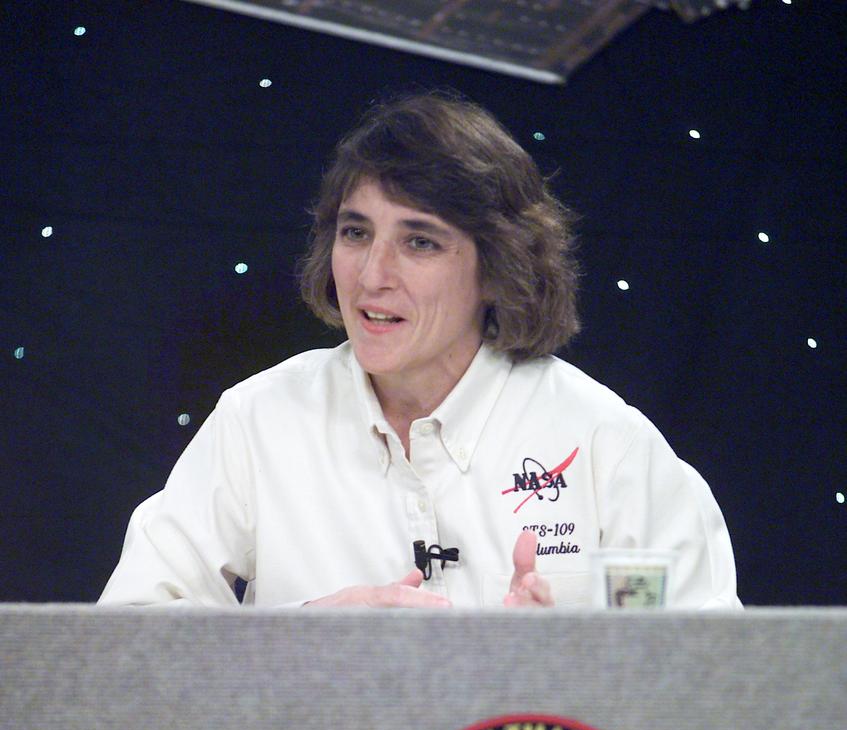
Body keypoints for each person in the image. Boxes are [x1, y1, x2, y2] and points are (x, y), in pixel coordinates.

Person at [99, 92, 741, 610]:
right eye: (356, 233)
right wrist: (292, 650)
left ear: (498, 268)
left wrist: (575, 667)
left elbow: (711, 669)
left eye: (421, 242)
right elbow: (128, 639)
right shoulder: (259, 420)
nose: (372, 274)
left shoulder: (605, 442)